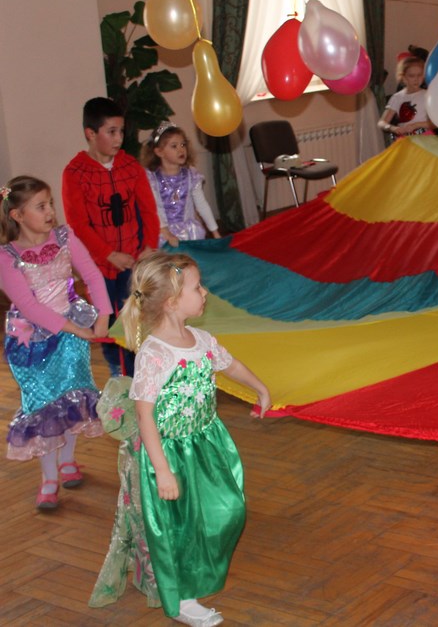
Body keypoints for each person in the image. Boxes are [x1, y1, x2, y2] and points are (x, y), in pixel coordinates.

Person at [113, 251, 271, 625]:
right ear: (171, 302)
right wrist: (162, 470)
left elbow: (229, 364)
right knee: (181, 526)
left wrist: (260, 388)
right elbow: (145, 415)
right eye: (198, 287)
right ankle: (183, 598)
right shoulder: (154, 353)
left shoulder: (200, 339)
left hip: (206, 443)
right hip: (170, 453)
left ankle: (198, 575)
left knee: (228, 510)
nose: (205, 293)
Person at [1, 175, 113, 509]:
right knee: (42, 408)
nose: (51, 211)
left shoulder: (65, 237)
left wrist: (103, 316)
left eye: (50, 203)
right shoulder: (7, 256)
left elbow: (92, 275)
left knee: (72, 400)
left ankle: (67, 461)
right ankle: (49, 478)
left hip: (70, 339)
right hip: (33, 343)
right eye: (41, 206)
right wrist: (75, 328)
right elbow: (30, 306)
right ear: (18, 215)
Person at [63, 97, 160, 377]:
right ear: (91, 134)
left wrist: (149, 246)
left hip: (133, 260)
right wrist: (108, 254)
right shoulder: (75, 173)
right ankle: (119, 372)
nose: (119, 138)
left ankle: (142, 369)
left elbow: (148, 210)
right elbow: (78, 225)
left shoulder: (131, 167)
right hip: (98, 267)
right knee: (108, 320)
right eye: (111, 131)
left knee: (135, 316)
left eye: (121, 131)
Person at [141, 123, 221, 247]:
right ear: (159, 152)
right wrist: (166, 234)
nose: (181, 150)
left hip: (190, 233)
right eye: (174, 146)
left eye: (183, 145)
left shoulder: (191, 175)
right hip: (163, 232)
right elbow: (154, 209)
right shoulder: (152, 179)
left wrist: (215, 232)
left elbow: (202, 204)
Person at [379, 55, 434, 138]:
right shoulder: (397, 97)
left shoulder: (428, 95)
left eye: (419, 75)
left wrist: (417, 125)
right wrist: (393, 128)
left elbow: (436, 124)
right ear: (403, 77)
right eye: (412, 76)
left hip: (425, 139)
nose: (416, 79)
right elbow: (382, 123)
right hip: (405, 140)